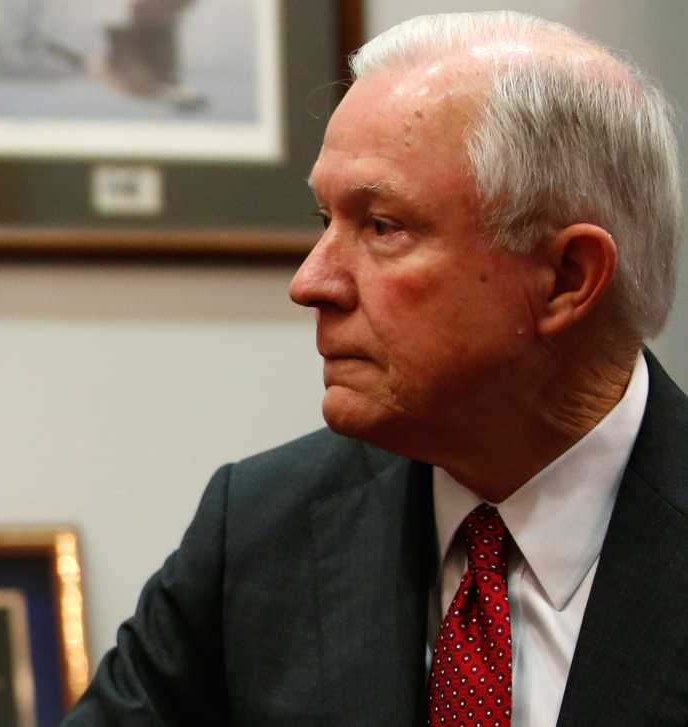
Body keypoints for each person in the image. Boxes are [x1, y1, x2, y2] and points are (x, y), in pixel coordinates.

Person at [63, 11, 685, 726]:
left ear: (567, 278)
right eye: (323, 219)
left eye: (381, 227)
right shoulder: (262, 529)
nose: (310, 282)